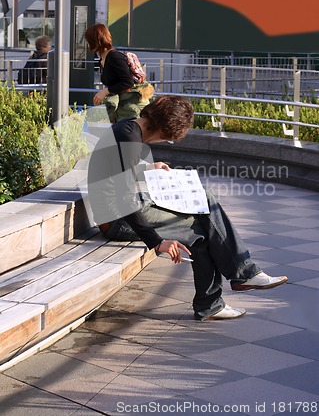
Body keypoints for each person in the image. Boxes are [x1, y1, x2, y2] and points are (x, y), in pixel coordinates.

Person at [87, 95, 288, 321]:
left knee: (204, 204)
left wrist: (149, 169)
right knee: (202, 227)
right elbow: (125, 200)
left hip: (118, 209)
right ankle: (236, 281)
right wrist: (157, 242)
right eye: (170, 139)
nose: (166, 141)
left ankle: (228, 289)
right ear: (166, 131)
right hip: (116, 220)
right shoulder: (129, 138)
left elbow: (117, 172)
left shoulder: (129, 129)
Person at [84, 23, 154, 122]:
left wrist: (105, 92)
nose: (87, 44)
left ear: (96, 41)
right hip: (125, 109)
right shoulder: (103, 59)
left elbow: (128, 82)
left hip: (134, 108)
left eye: (88, 41)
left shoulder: (114, 57)